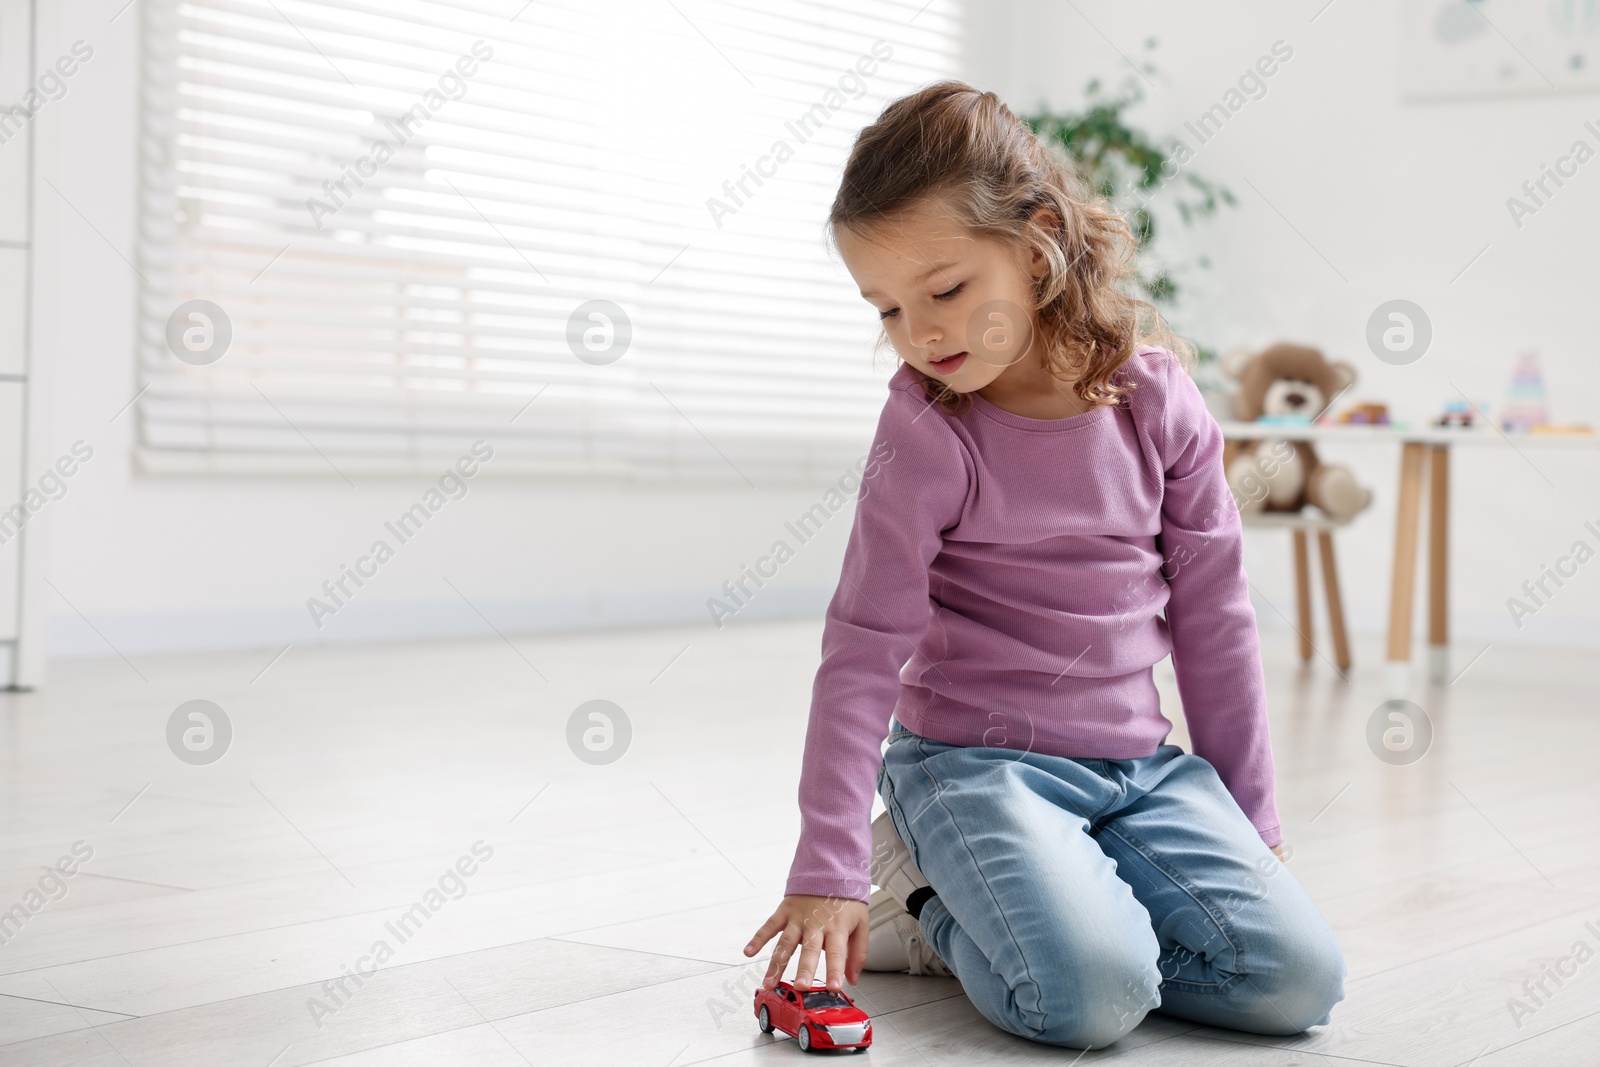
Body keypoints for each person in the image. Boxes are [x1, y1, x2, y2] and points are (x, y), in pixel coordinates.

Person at [741, 80, 1346, 1051]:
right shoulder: (925, 428)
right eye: (888, 308)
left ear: (1037, 244)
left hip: (1140, 770)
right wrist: (827, 863)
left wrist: (1250, 816)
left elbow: (1214, 614)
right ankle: (928, 897)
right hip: (974, 765)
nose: (920, 334)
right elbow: (862, 647)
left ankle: (1051, 909)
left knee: (1294, 980)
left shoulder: (1156, 400)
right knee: (1087, 1000)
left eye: (943, 290)